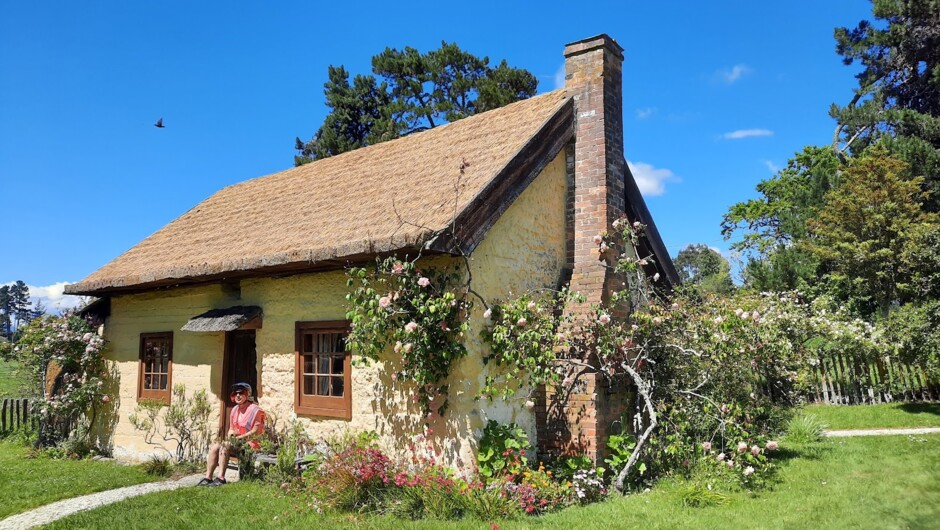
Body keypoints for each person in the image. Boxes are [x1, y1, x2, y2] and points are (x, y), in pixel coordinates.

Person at [198, 382, 265, 486]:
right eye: (235, 393)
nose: (238, 395)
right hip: (238, 442)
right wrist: (231, 436)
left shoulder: (256, 410)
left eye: (241, 393)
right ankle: (208, 477)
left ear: (247, 394)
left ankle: (221, 478)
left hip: (251, 444)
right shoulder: (234, 410)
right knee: (215, 446)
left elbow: (255, 432)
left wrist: (238, 439)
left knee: (225, 446)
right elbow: (231, 429)